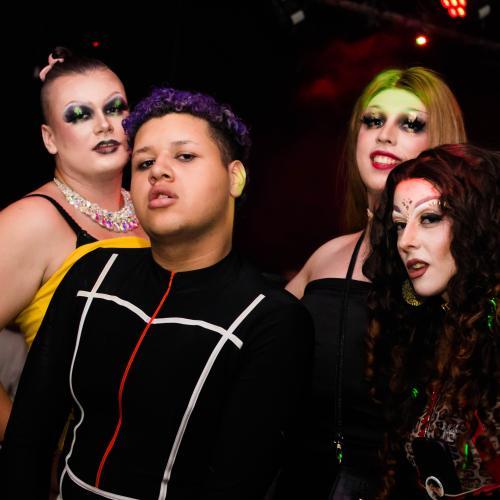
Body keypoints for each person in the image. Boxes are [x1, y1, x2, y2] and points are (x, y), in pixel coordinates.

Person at [1, 87, 313, 499]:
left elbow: (239, 483)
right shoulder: (92, 273)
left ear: (235, 177)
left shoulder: (270, 319)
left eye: (184, 156)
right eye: (144, 162)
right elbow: (29, 437)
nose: (158, 171)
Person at [276, 67, 467, 499]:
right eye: (373, 120)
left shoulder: (463, 266)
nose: (385, 135)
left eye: (411, 124)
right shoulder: (326, 257)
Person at [0, 47, 148, 441]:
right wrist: (26, 445)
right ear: (49, 138)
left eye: (115, 108)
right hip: (73, 461)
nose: (104, 125)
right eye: (80, 115)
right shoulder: (31, 220)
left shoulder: (153, 210)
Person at [364, 144, 499, 498]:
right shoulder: (430, 335)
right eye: (399, 225)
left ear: (475, 224)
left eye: (429, 218)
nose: (406, 242)